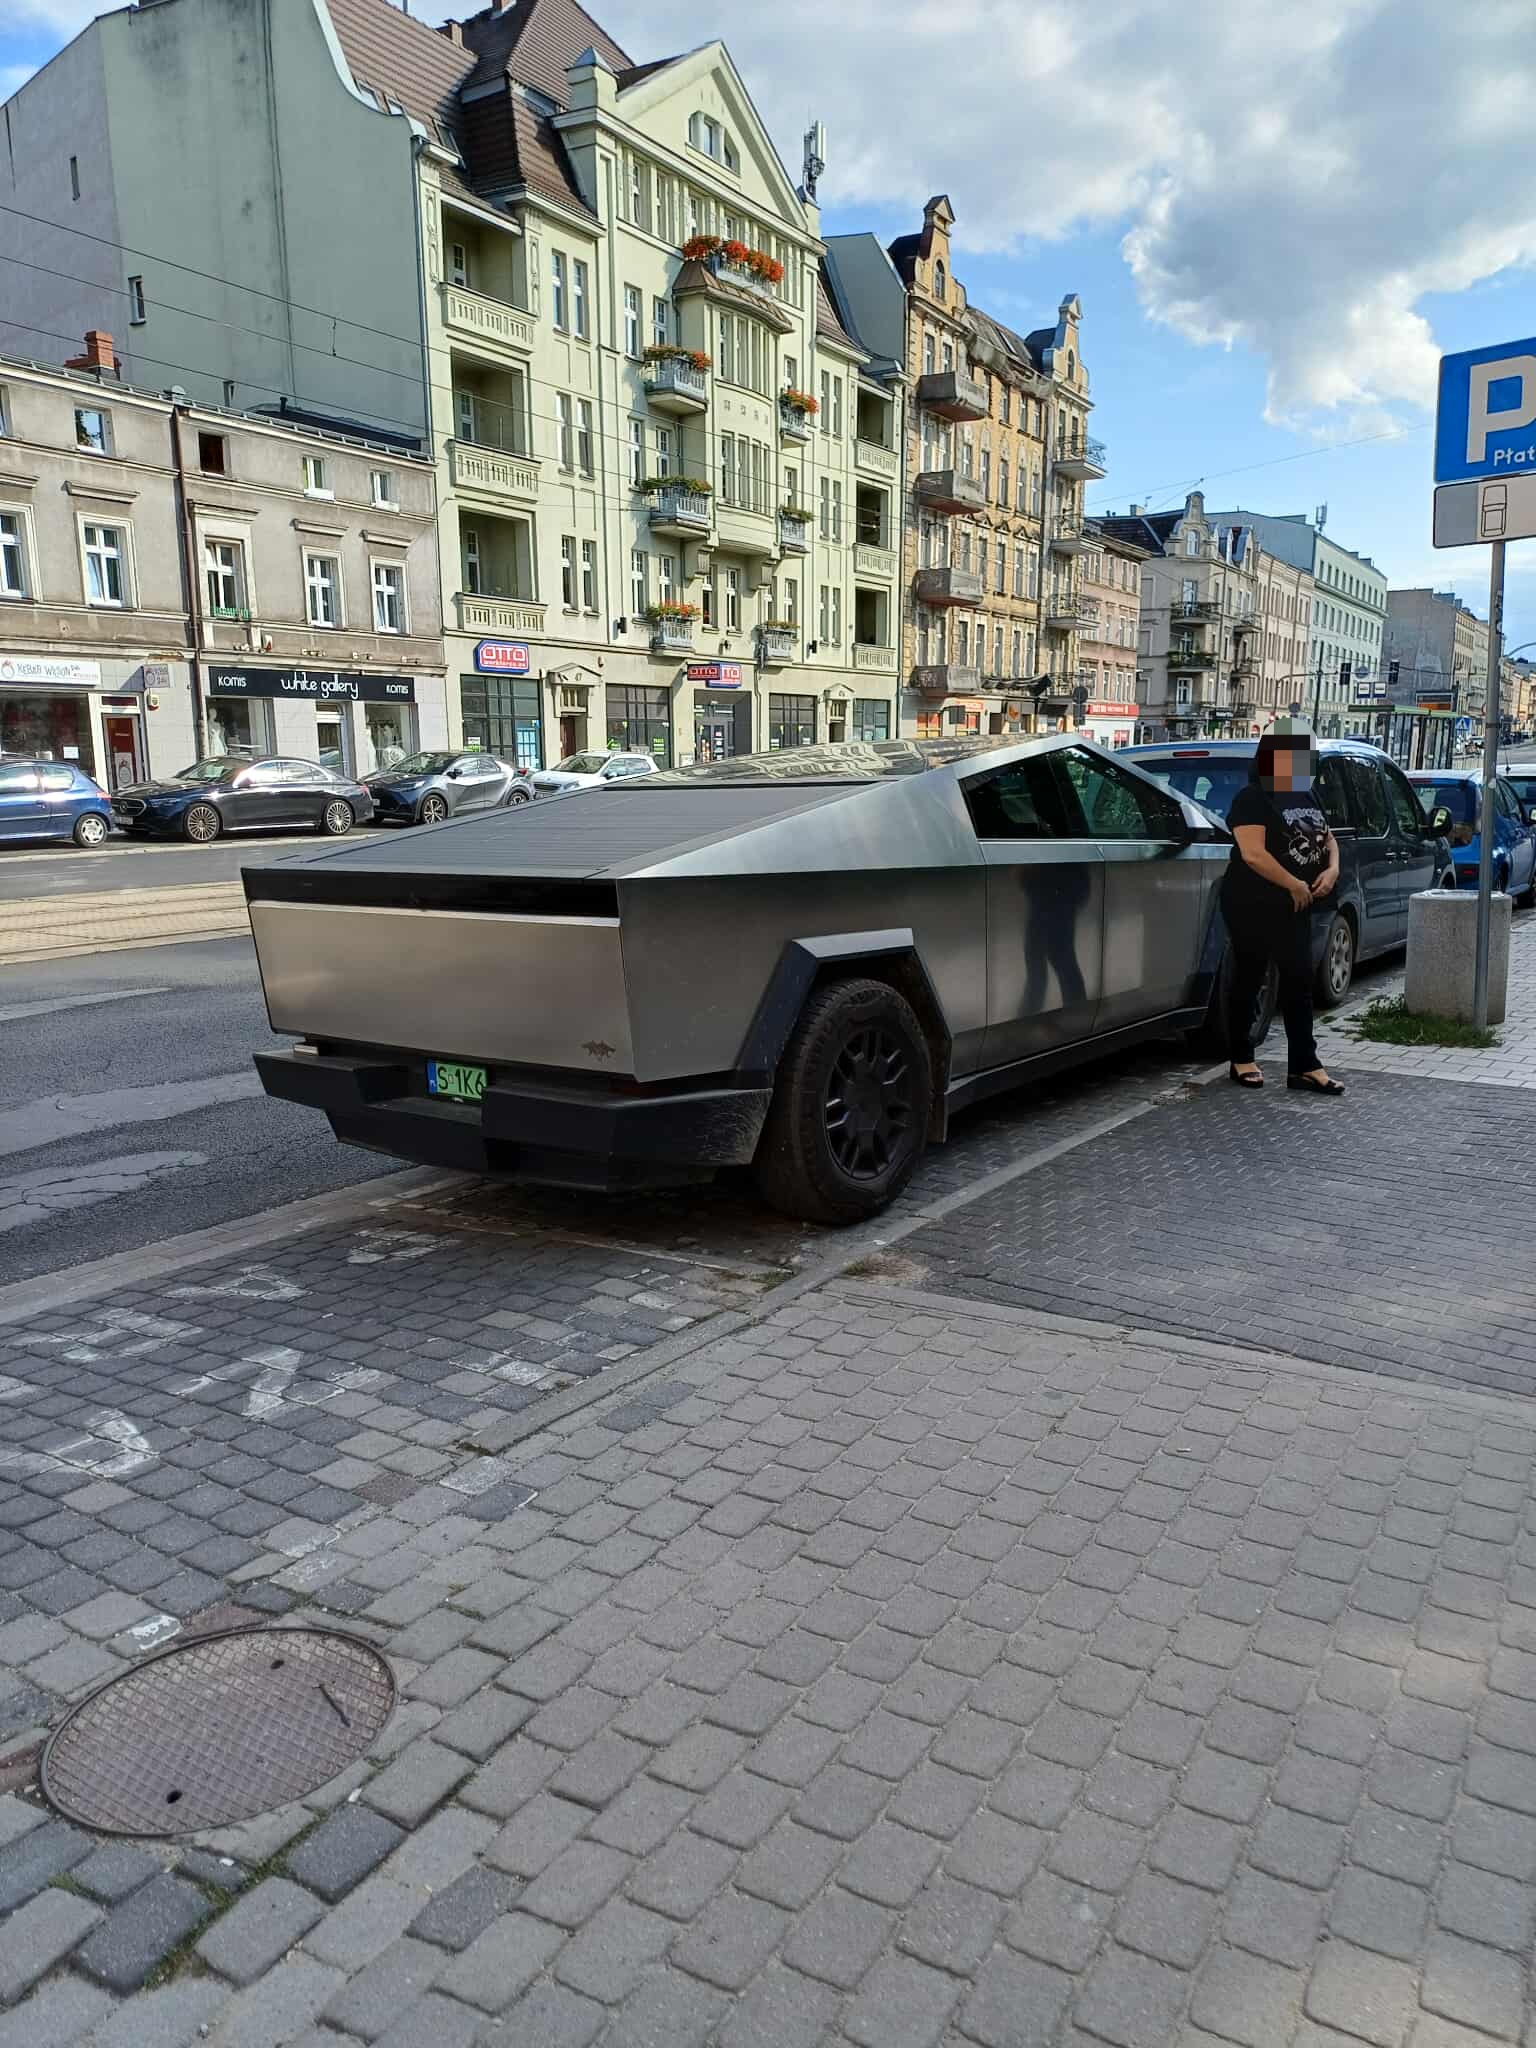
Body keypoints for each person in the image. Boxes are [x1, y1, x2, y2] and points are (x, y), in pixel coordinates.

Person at [1223, 723, 1345, 1094]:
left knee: (1299, 981)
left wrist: (1332, 869)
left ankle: (1304, 1066)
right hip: (1253, 902)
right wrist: (1292, 882)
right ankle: (1242, 1057)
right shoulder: (1252, 798)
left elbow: (1329, 839)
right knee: (1250, 976)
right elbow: (1253, 854)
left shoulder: (1304, 795)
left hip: (1297, 903)